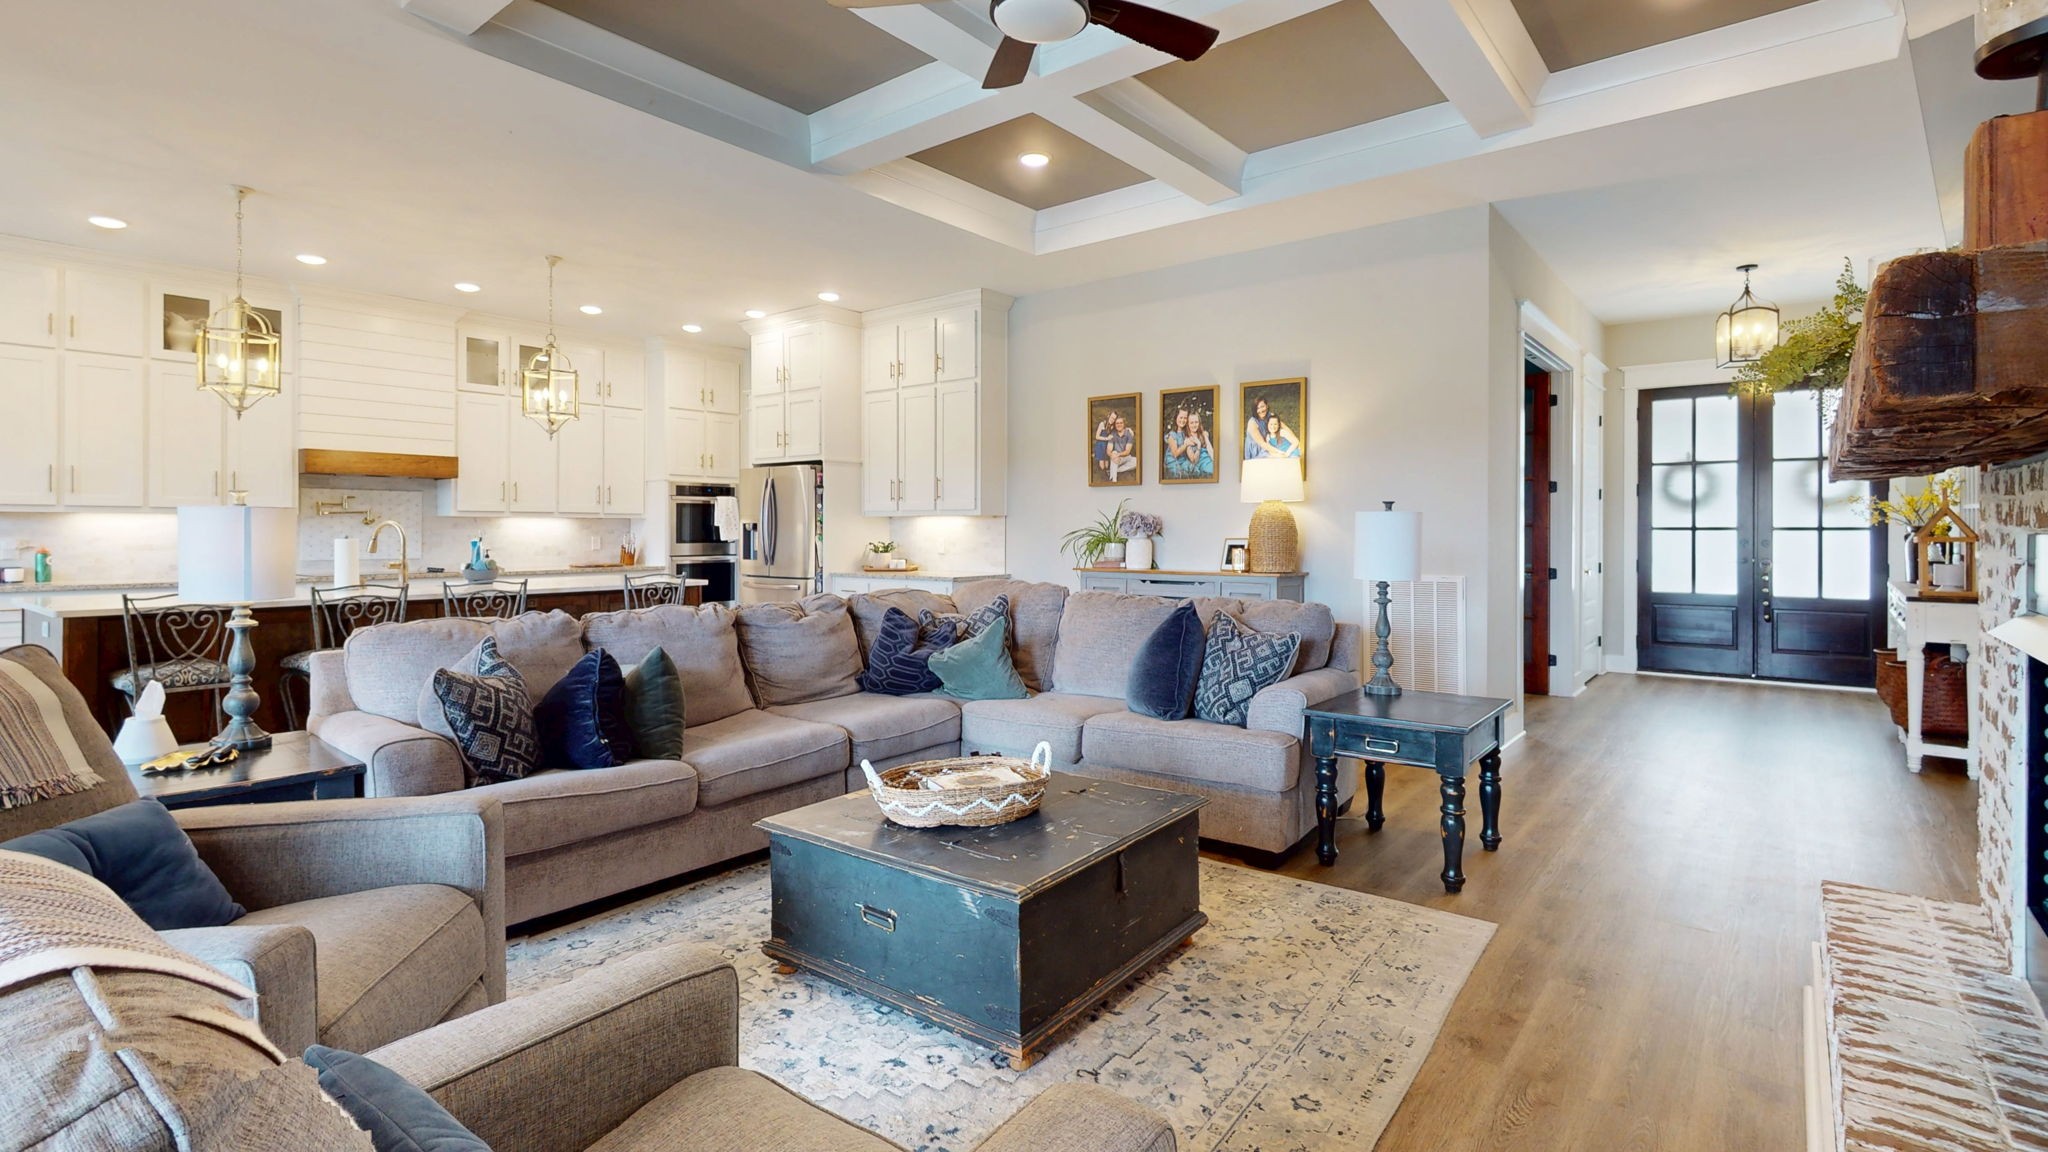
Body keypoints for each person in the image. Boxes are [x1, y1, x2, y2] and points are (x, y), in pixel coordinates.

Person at [1176, 409, 1215, 478]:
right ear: (1188, 424)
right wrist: (1199, 445)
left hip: (1210, 461)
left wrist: (1215, 461)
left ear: (1199, 423)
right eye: (1191, 423)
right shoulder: (1187, 440)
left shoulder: (1203, 434)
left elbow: (1210, 449)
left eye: (1196, 422)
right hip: (1202, 465)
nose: (1194, 425)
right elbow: (1194, 461)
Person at [1106, 413, 1137, 481]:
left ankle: (1113, 471)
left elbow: (1127, 451)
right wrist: (1113, 455)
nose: (1119, 425)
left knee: (1137, 461)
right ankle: (1113, 479)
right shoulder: (1113, 434)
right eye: (1117, 423)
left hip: (1125, 456)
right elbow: (1108, 450)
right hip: (1116, 457)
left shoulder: (1129, 434)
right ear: (1115, 425)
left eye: (1121, 423)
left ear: (1124, 424)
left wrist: (1118, 455)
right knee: (1114, 453)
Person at [1163, 406, 1189, 477]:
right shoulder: (1172, 434)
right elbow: (1175, 454)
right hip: (1173, 460)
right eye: (1181, 417)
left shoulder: (1186, 433)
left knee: (1193, 469)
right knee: (1179, 473)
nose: (1183, 420)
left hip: (1183, 459)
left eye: (1185, 418)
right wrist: (1186, 444)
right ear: (1176, 418)